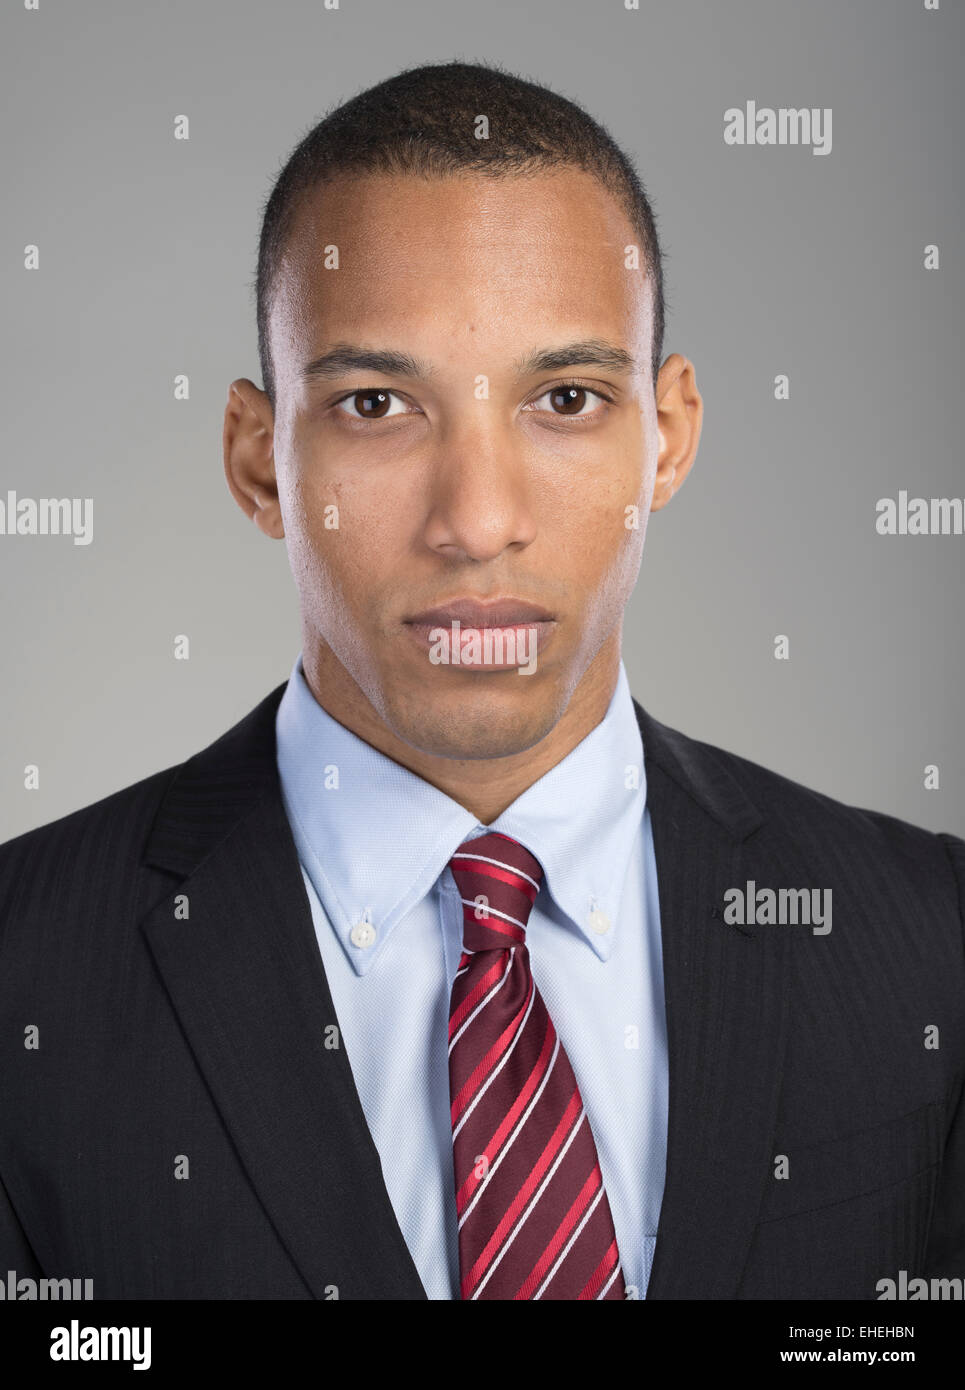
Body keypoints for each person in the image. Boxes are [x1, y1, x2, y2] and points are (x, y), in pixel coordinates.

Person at [1, 59, 962, 1302]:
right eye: (376, 403)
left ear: (664, 437)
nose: (477, 519)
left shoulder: (929, 941)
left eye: (564, 398)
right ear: (257, 460)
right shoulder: (26, 974)